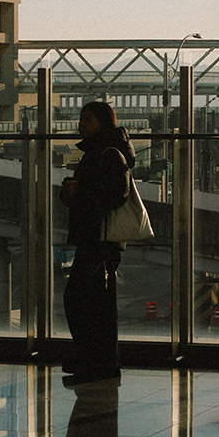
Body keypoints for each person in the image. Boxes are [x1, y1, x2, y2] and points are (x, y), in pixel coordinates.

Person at [60, 101, 135, 382]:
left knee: (78, 298)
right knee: (97, 303)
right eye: (81, 118)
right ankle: (98, 363)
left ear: (103, 122)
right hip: (97, 236)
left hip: (99, 237)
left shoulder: (108, 153)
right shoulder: (101, 151)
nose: (81, 124)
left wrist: (79, 198)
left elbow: (117, 193)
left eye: (88, 119)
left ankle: (90, 360)